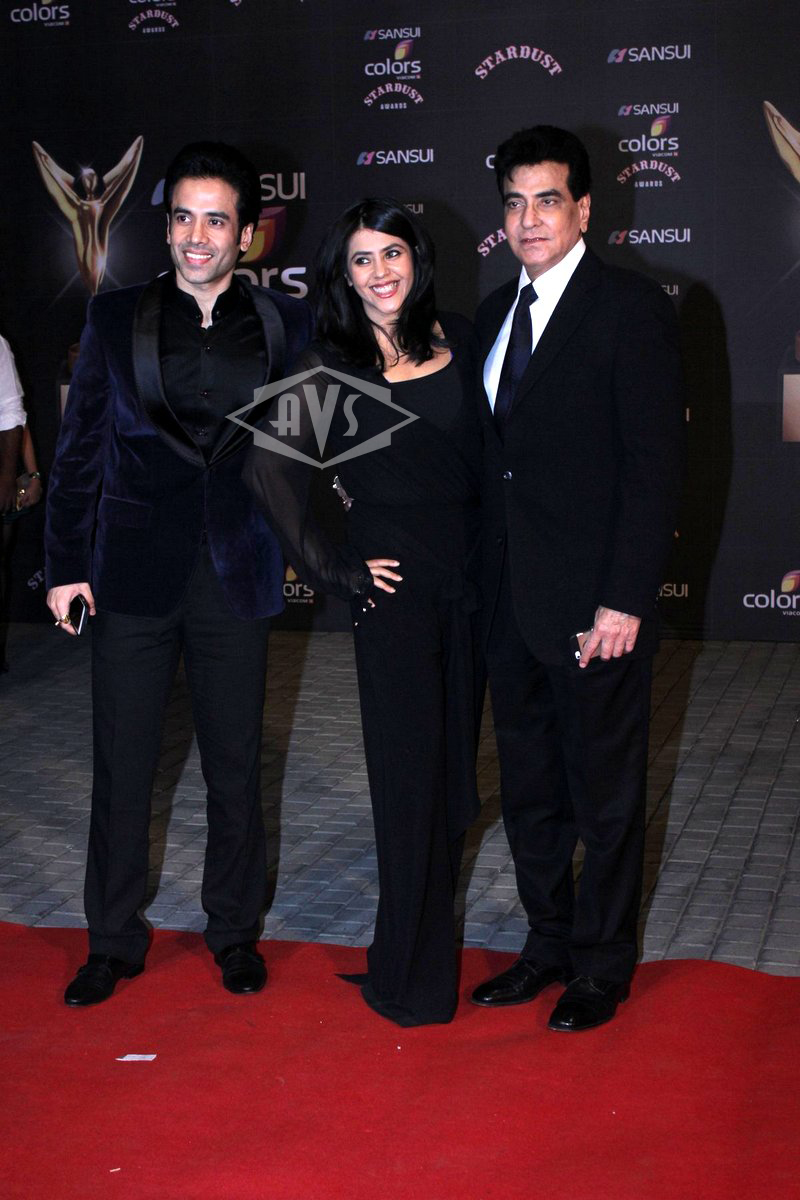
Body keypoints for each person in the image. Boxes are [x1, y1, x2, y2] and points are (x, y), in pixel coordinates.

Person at [45, 141, 313, 1006]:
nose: (199, 236)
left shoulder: (285, 324)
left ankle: (233, 931)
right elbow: (80, 449)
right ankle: (112, 941)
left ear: (246, 235)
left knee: (234, 765)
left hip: (237, 570)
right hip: (130, 572)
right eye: (185, 218)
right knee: (123, 765)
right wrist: (64, 565)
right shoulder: (114, 316)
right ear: (166, 228)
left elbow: (305, 451)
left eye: (217, 220)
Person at [243, 198, 483, 1026]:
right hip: (395, 599)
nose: (380, 272)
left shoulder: (461, 340)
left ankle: (402, 952)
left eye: (392, 253)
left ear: (417, 258)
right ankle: (413, 983)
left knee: (454, 785)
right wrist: (335, 567)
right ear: (343, 276)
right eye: (361, 259)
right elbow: (266, 472)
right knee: (410, 785)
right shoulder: (331, 365)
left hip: (471, 589)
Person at [471, 126, 684, 1031]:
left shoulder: (629, 308)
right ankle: (547, 944)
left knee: (605, 796)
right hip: (507, 606)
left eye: (548, 200)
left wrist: (626, 597)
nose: (529, 219)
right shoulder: (491, 314)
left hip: (597, 607)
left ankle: (601, 965)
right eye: (514, 202)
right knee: (530, 793)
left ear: (584, 209)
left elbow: (655, 466)